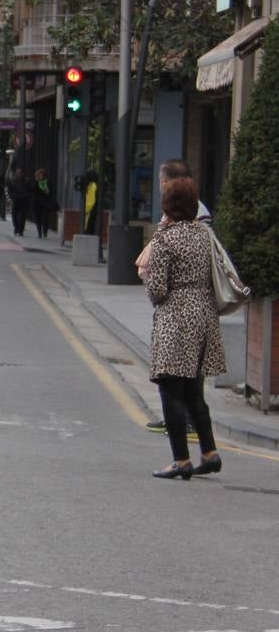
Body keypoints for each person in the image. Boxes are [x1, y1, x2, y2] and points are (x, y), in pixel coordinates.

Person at [144, 177, 225, 480]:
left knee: (170, 389)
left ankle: (180, 459)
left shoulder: (164, 237)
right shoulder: (205, 233)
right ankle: (210, 452)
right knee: (193, 389)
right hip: (203, 313)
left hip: (176, 315)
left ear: (168, 204)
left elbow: (156, 288)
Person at [32, 167, 57, 239]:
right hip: (37, 203)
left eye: (40, 175)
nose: (39, 176)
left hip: (45, 203)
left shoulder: (47, 182)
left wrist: (49, 197)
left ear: (43, 175)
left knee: (45, 218)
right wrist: (36, 181)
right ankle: (39, 233)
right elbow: (33, 189)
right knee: (38, 218)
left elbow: (51, 192)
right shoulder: (36, 183)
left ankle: (45, 232)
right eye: (37, 175)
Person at [8, 166, 32, 236]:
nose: (19, 174)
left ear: (22, 173)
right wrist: (12, 197)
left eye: (20, 173)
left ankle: (21, 230)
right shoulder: (12, 181)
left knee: (23, 216)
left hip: (24, 201)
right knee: (14, 215)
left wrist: (26, 196)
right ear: (16, 174)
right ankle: (16, 227)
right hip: (16, 200)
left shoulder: (26, 181)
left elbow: (30, 190)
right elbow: (10, 191)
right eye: (18, 173)